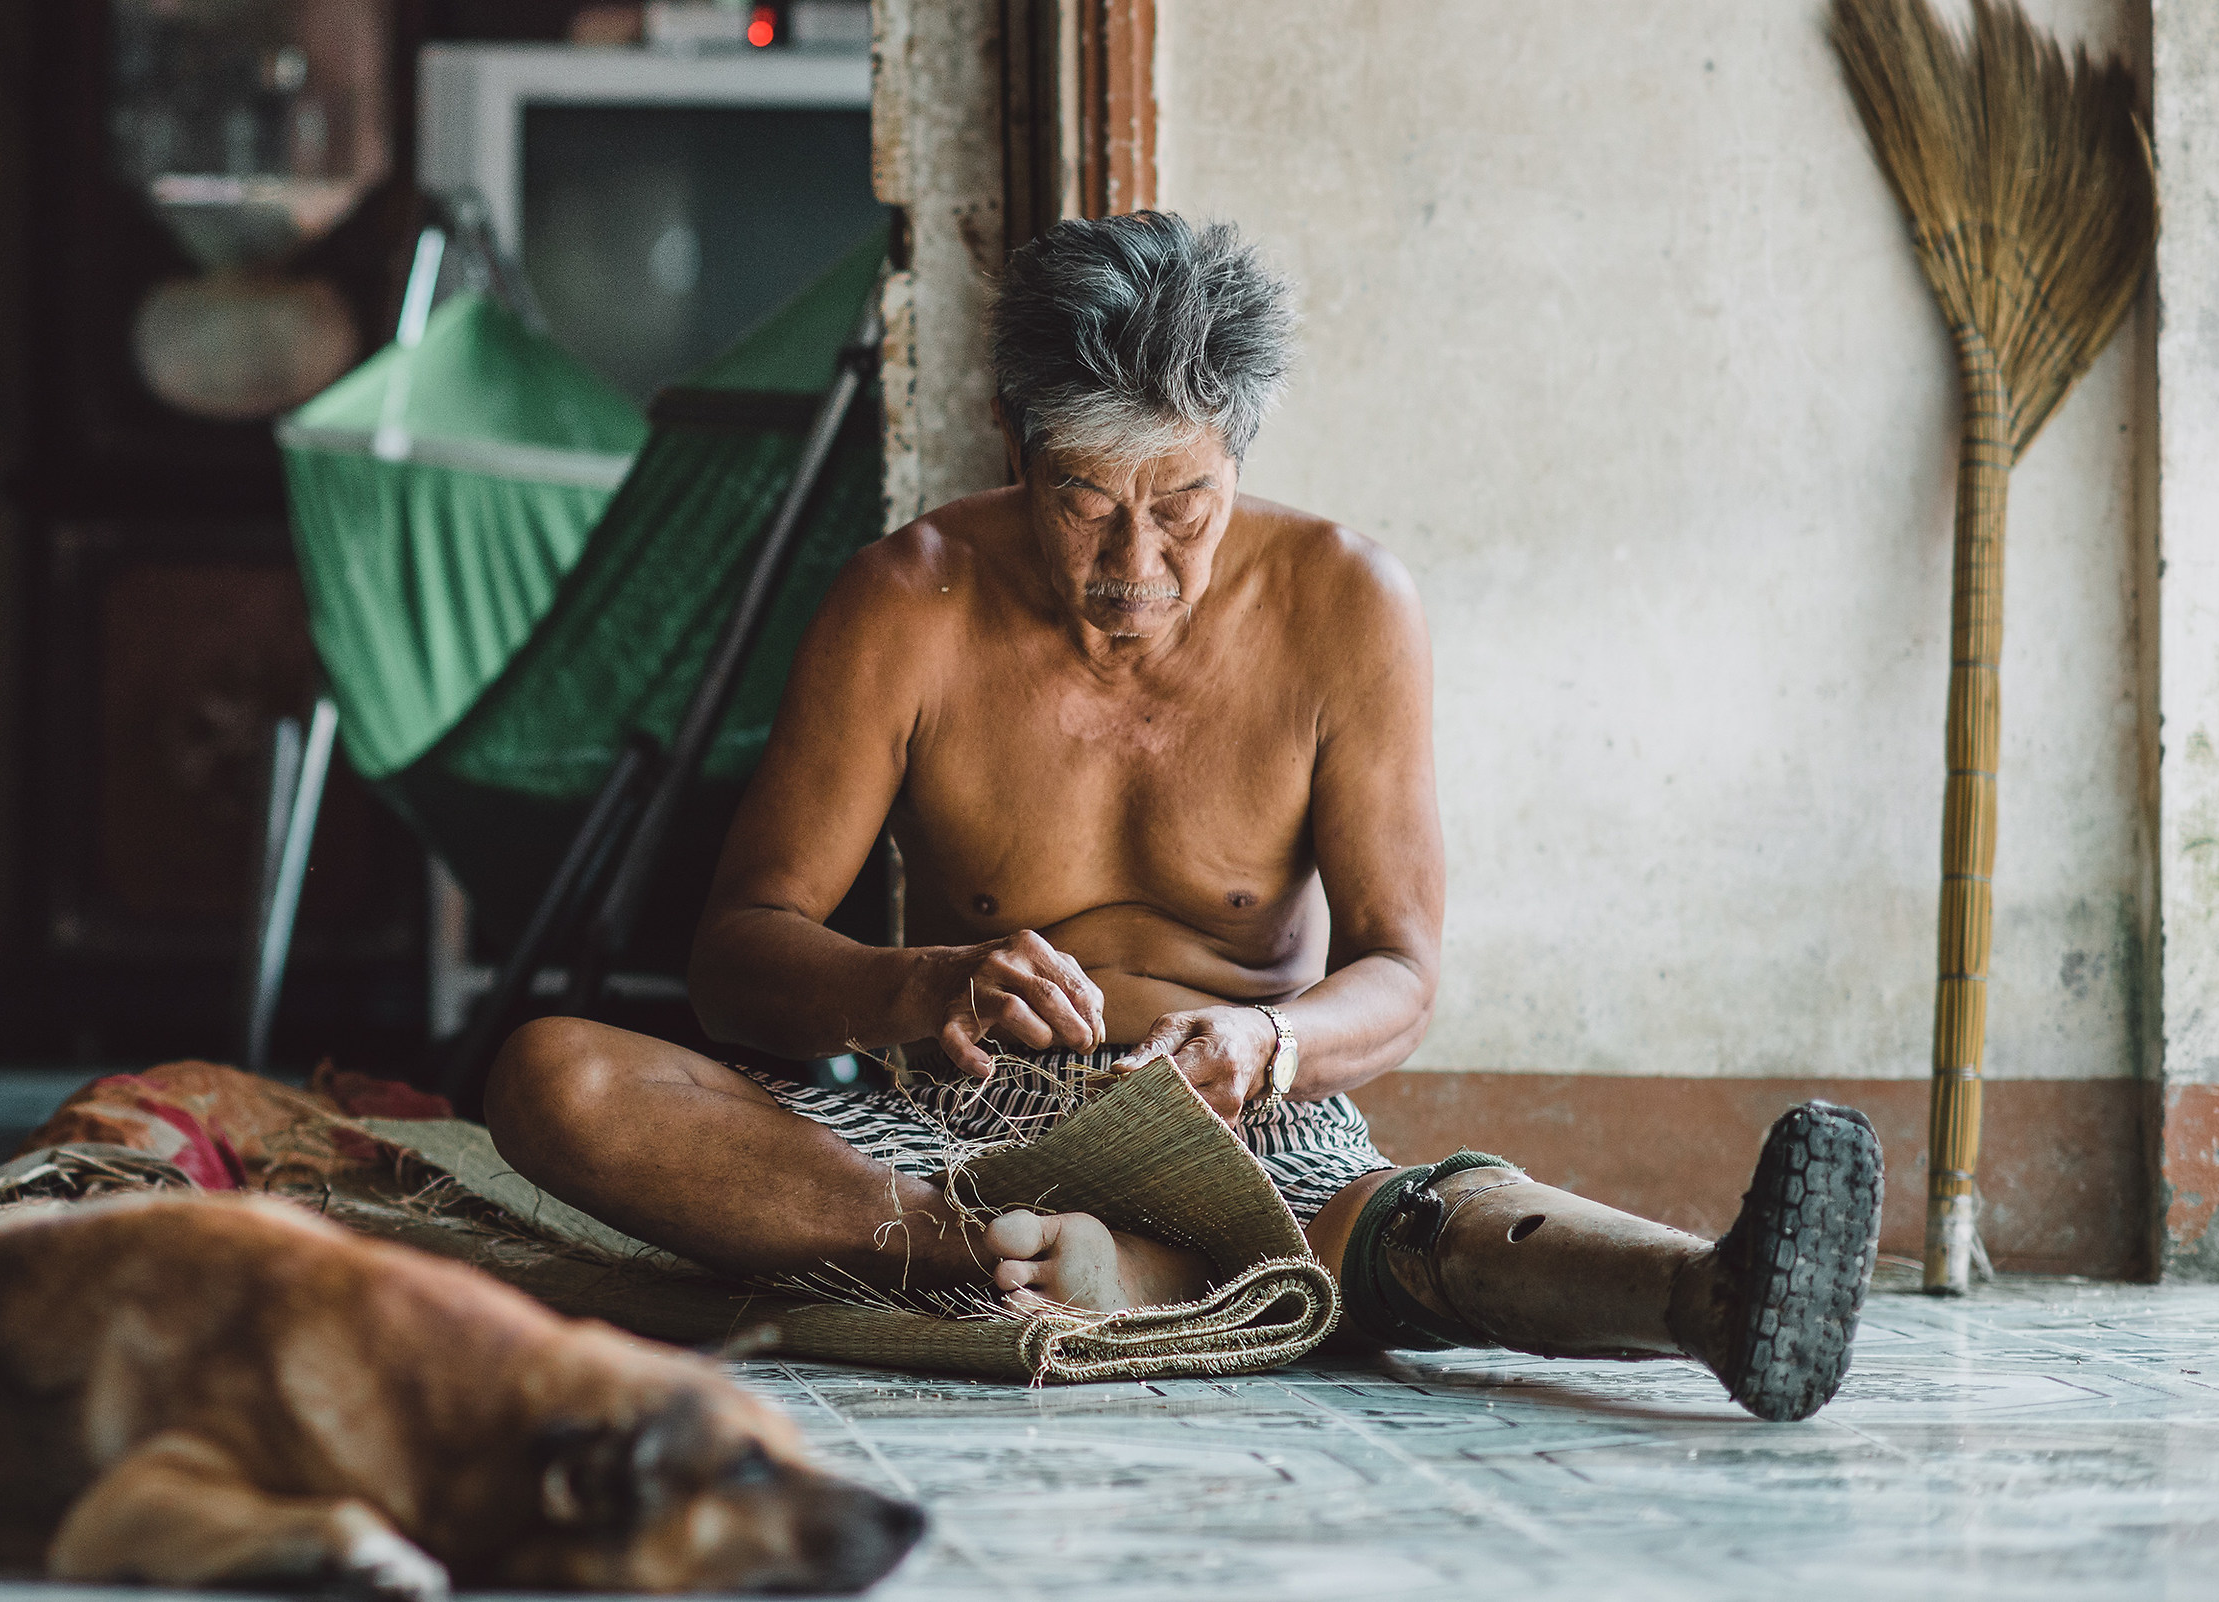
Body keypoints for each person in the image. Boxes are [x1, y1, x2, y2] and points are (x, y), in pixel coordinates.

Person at [487, 212, 1883, 1422]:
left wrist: (1273, 1044)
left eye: (1184, 506)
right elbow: (738, 953)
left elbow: (1403, 972)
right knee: (554, 1076)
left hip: (1251, 1116)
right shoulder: (904, 603)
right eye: (1085, 501)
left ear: (1239, 455)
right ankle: (1016, 1260)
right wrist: (919, 987)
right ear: (1018, 446)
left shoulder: (1349, 604)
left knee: (1424, 1231)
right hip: (955, 1135)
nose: (1134, 562)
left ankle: (1705, 1295)